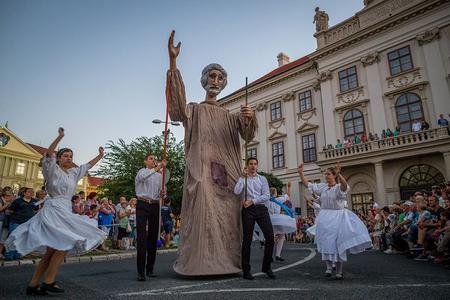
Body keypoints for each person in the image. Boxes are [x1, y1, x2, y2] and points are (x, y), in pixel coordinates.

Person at [167, 31, 256, 276]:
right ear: (204, 80)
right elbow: (175, 111)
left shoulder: (230, 116)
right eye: (212, 76)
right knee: (204, 211)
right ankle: (200, 262)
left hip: (227, 174)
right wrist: (173, 63)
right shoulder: (194, 110)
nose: (215, 81)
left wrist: (249, 118)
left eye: (219, 77)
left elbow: (248, 136)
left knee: (226, 217)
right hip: (201, 171)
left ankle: (227, 261)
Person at [4, 127, 106, 295]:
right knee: (64, 243)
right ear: (58, 158)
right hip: (53, 209)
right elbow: (49, 154)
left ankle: (33, 284)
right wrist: (59, 137)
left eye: (71, 156)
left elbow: (88, 165)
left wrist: (100, 155)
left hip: (65, 209)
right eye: (65, 155)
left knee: (53, 248)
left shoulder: (73, 173)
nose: (69, 158)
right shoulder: (52, 170)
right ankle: (49, 281)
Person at [298, 163, 372, 280]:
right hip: (324, 217)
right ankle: (328, 267)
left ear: (334, 175)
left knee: (338, 245)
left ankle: (339, 271)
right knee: (325, 243)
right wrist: (301, 173)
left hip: (337, 217)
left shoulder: (338, 188)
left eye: (328, 174)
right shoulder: (323, 187)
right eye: (325, 174)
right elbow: (308, 185)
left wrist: (339, 174)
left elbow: (344, 186)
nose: (326, 176)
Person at [234, 157, 275, 280]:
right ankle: (246, 270)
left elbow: (266, 195)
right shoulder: (243, 178)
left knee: (270, 237)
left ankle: (266, 267)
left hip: (261, 209)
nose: (253, 166)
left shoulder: (262, 179)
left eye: (255, 164)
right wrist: (242, 177)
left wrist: (252, 201)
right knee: (247, 241)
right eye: (250, 164)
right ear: (247, 166)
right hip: (248, 211)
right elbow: (236, 192)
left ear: (257, 166)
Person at [135, 154, 166, 281]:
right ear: (145, 161)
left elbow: (162, 191)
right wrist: (158, 167)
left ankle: (150, 269)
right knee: (142, 238)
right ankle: (140, 272)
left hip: (154, 205)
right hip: (142, 204)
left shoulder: (160, 176)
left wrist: (163, 193)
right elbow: (143, 178)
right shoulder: (141, 172)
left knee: (153, 238)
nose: (154, 160)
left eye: (155, 159)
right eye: (151, 159)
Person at [267, 184, 296, 262]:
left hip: (269, 219)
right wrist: (289, 187)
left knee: (271, 238)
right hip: (278, 219)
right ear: (274, 193)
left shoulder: (266, 200)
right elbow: (288, 196)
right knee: (281, 237)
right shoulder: (278, 199)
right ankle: (277, 255)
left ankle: (269, 256)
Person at [0, 188, 14, 259]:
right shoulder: (1, 200)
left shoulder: (10, 202)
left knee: (3, 238)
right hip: (1, 220)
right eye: (11, 196)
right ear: (6, 196)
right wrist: (7, 204)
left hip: (6, 222)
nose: (12, 198)